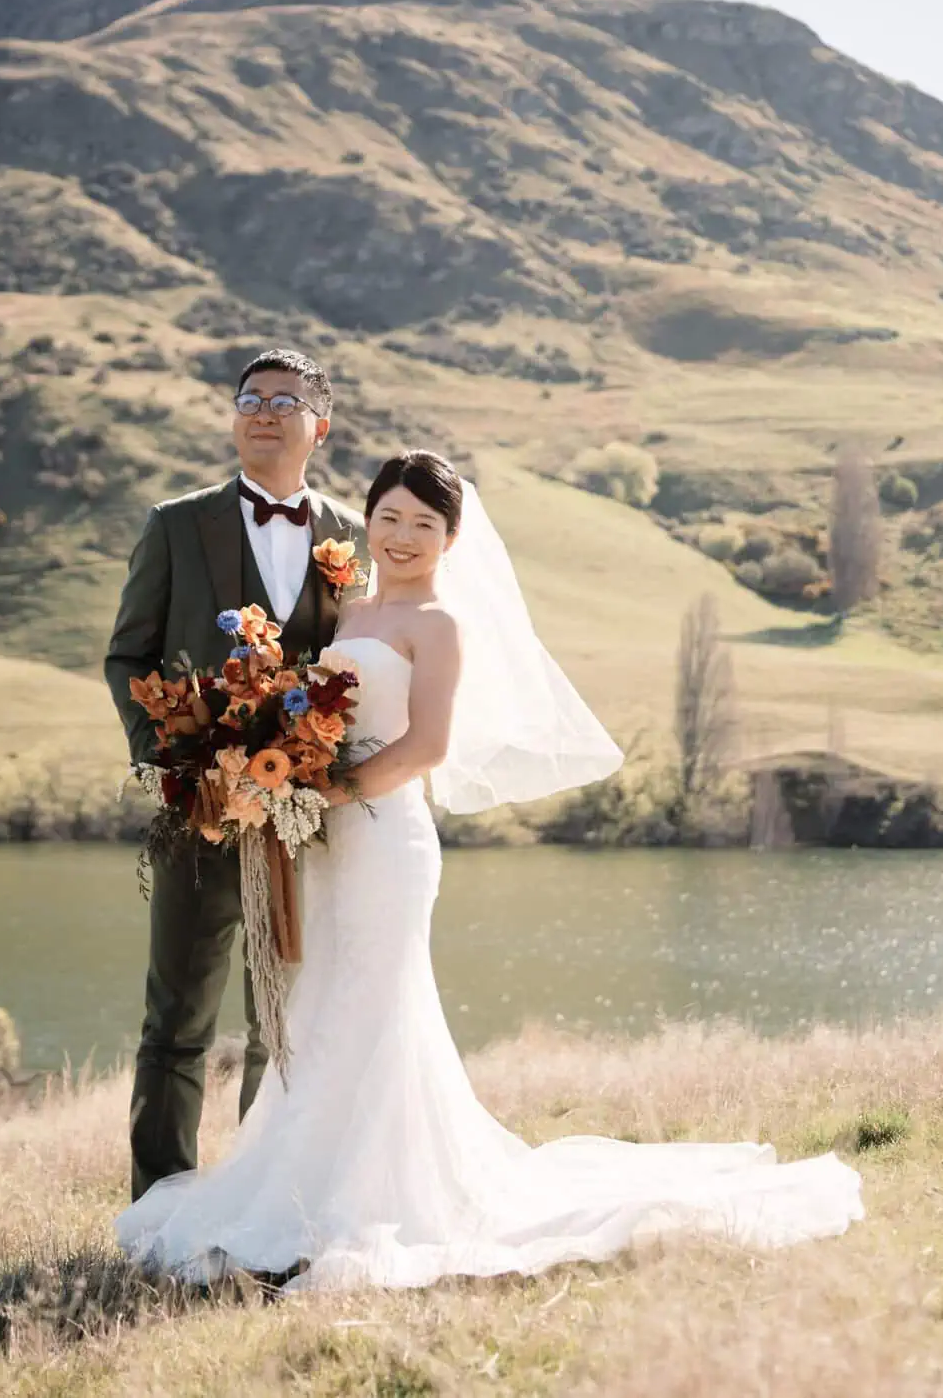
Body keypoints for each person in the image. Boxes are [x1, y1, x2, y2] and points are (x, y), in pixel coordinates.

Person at [114, 449, 865, 1289]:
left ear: (450, 538)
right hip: (319, 847)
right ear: (367, 520)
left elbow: (427, 746)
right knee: (316, 1004)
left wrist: (322, 788)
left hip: (384, 839)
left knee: (373, 1007)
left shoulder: (439, 627)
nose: (403, 537)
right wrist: (265, 766)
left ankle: (372, 1201)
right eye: (389, 518)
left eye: (423, 525)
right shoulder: (346, 613)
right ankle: (294, 1186)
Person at [105, 348, 365, 1200]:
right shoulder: (175, 524)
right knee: (176, 1019)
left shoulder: (350, 538)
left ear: (317, 425)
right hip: (198, 809)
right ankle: (158, 1203)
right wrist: (177, 768)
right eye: (248, 398)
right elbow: (128, 655)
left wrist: (324, 770)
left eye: (283, 401)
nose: (261, 412)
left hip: (302, 822)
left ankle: (262, 1195)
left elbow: (358, 667)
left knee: (278, 1022)